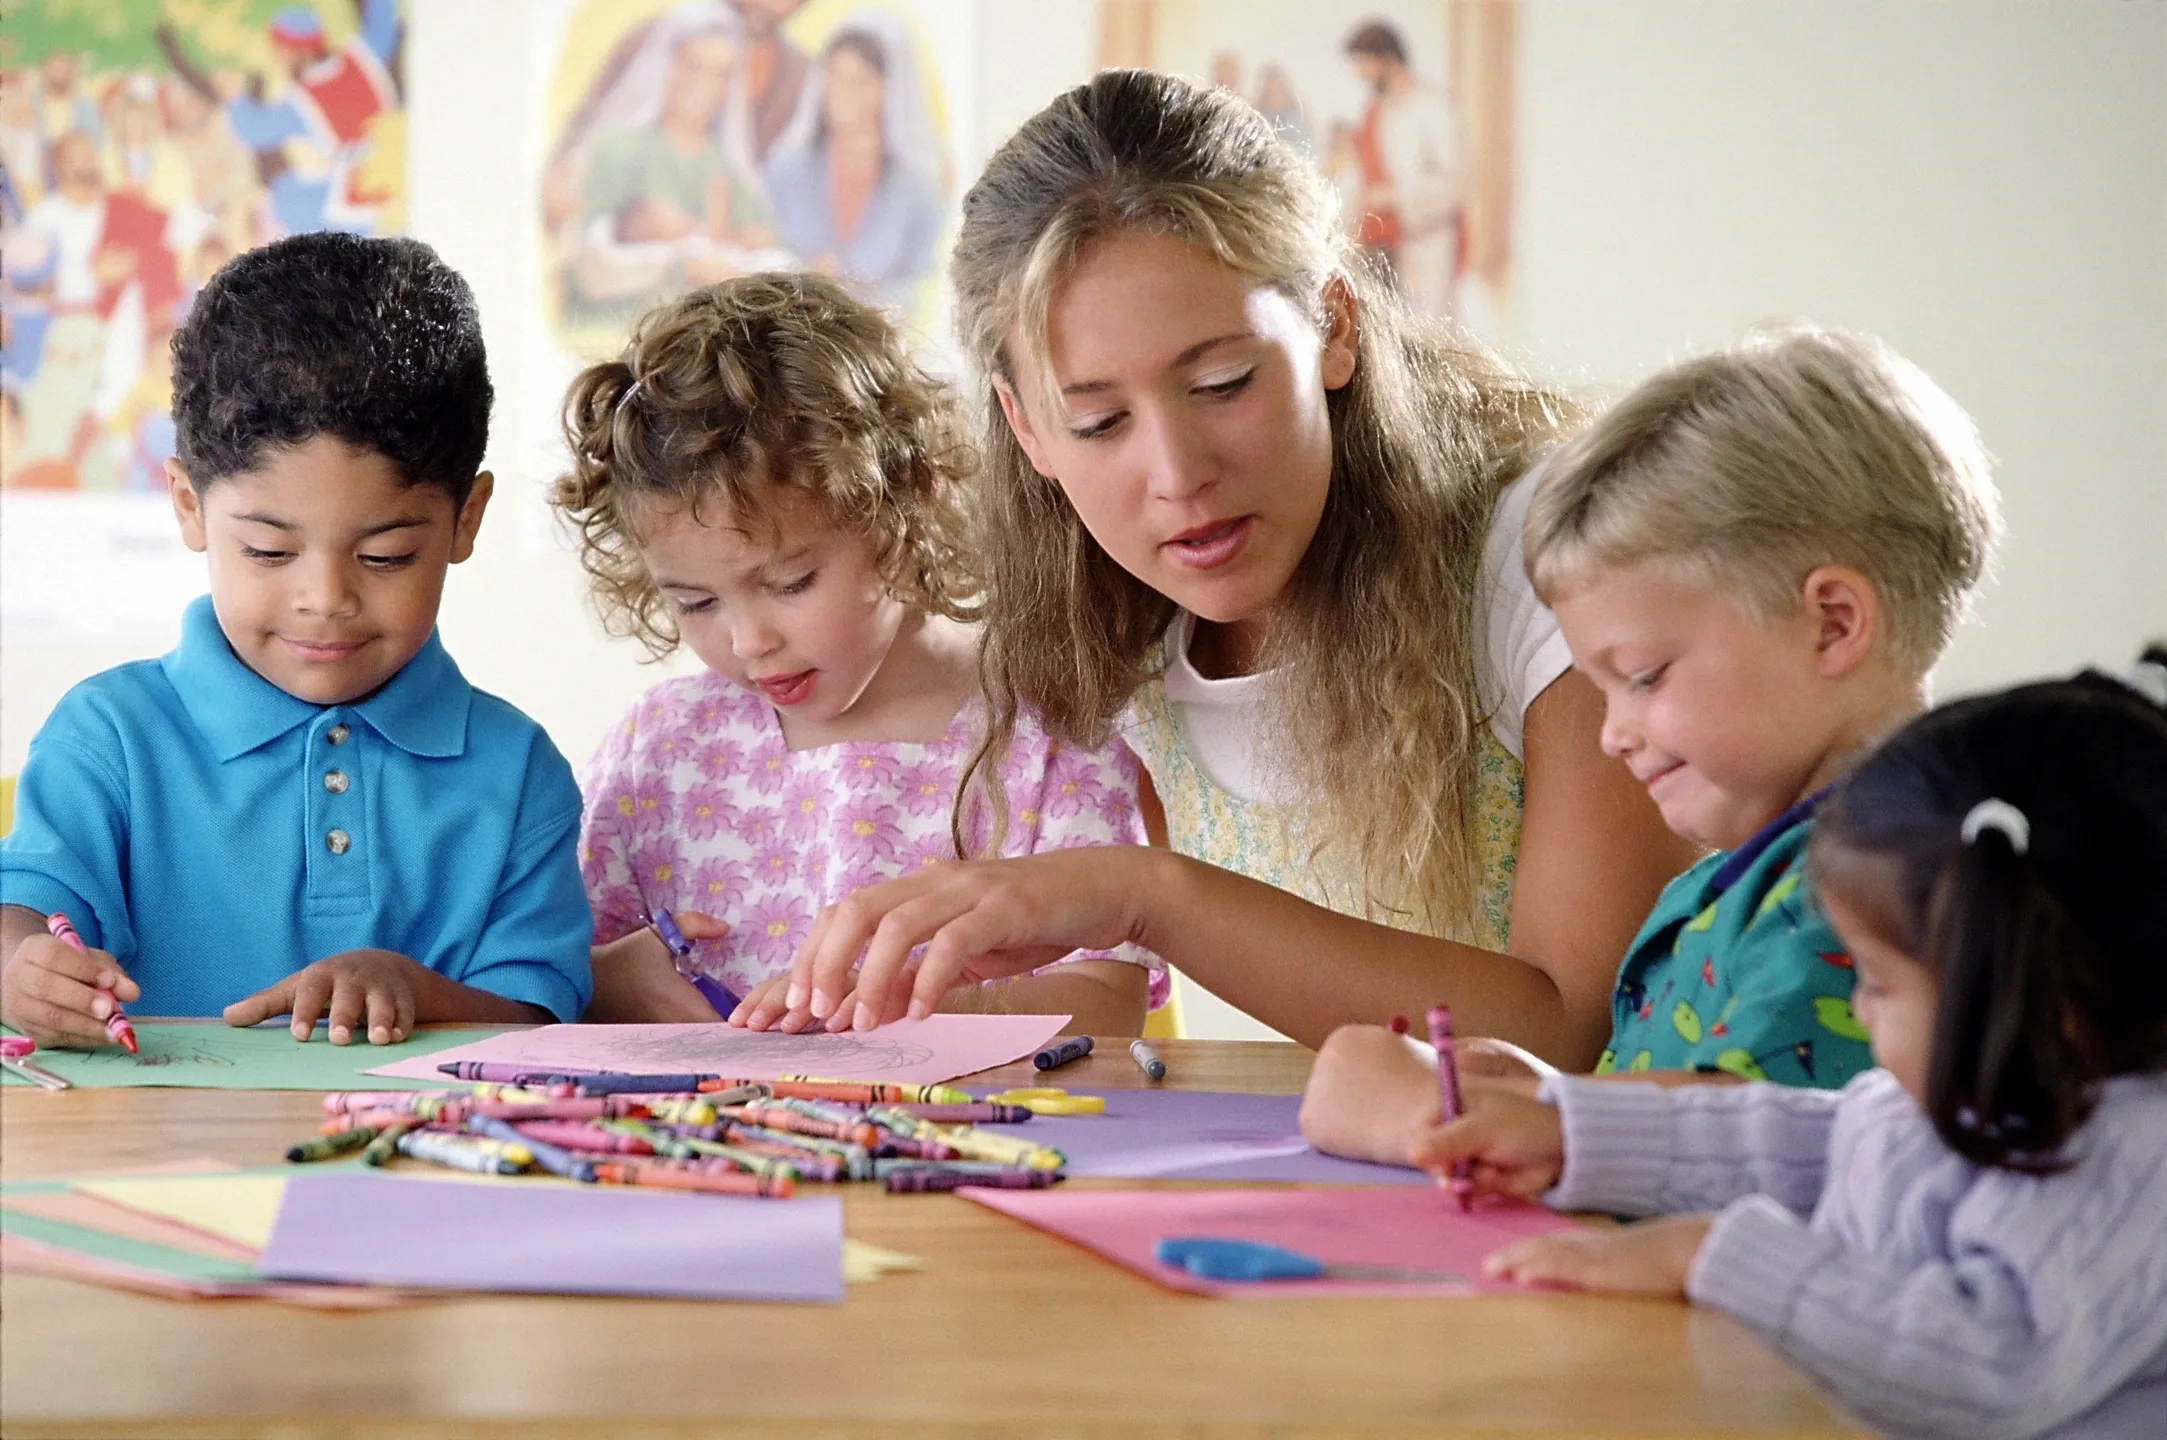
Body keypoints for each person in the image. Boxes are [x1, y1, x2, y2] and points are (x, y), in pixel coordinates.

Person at [750, 69, 1696, 1057]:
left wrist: (1140, 895)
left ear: (1334, 327)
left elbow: (1575, 1032)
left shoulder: (1547, 559)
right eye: (1098, 421)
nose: (1176, 474)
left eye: (1221, 382)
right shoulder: (1111, 639)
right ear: (1027, 429)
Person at [1299, 325, 2005, 1161]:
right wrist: (1544, 1089)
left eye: (1642, 676)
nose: (1612, 735)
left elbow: (1759, 1146)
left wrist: (1446, 1117)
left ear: (1833, 623)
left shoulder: (1871, 897)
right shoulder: (1750, 876)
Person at [1434, 652, 2167, 1440]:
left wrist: (1713, 1255)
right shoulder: (1982, 1084)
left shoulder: (2128, 1160)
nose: (1856, 1006)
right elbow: (1807, 1140)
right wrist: (1569, 1131)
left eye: (1880, 984)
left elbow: (1986, 1365)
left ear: (2042, 990)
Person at [0, 233, 592, 1046]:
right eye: (269, 552)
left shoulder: (518, 773)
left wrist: (412, 988)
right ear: (187, 505)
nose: (326, 600)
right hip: (157, 1164)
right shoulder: (109, 739)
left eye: (386, 555)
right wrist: (19, 971)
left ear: (467, 520)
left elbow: (540, 1014)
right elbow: (24, 913)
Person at [554, 274, 1159, 1035]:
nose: (748, 641)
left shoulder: (1048, 726)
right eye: (696, 603)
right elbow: (551, 976)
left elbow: (1106, 1003)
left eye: (790, 581)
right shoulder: (661, 749)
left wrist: (891, 1010)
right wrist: (607, 981)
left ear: (905, 497)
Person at [761, 15, 944, 310]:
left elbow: (924, 283)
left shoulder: (917, 188)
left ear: (889, 90)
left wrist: (859, 300)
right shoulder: (785, 168)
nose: (842, 90)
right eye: (833, 73)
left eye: (860, 80)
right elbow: (755, 253)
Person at [1343, 20, 1463, 319]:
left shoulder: (1433, 108)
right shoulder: (1376, 112)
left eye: (1364, 63)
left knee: (1427, 336)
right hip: (1382, 248)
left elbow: (1455, 183)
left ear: (1387, 58)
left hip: (1425, 245)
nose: (1360, 74)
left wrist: (1395, 196)